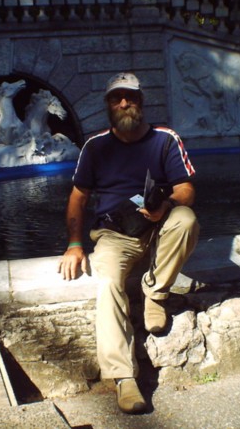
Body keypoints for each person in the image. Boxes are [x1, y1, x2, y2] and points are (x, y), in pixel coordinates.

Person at [58, 72, 199, 414]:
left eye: (130, 97)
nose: (124, 103)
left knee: (186, 220)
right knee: (107, 283)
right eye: (116, 98)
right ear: (108, 104)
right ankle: (124, 378)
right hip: (114, 233)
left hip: (159, 224)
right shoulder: (95, 147)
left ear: (141, 100)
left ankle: (156, 294)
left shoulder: (165, 139)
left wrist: (164, 205)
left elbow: (187, 190)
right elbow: (78, 198)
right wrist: (75, 243)